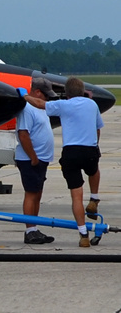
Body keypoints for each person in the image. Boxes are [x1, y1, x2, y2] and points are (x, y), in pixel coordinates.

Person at [31, 76, 105, 247]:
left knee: (76, 196)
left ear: (67, 93)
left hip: (71, 152)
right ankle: (94, 198)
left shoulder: (63, 105)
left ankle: (83, 234)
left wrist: (23, 95)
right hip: (90, 149)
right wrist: (95, 146)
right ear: (83, 91)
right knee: (94, 170)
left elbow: (40, 104)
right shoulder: (92, 105)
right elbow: (97, 129)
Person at [14, 81, 55, 244]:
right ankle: (29, 231)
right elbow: (23, 134)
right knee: (31, 194)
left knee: (37, 194)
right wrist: (33, 157)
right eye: (45, 95)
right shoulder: (27, 108)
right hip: (30, 159)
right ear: (37, 92)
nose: (47, 99)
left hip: (41, 159)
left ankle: (35, 229)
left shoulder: (41, 108)